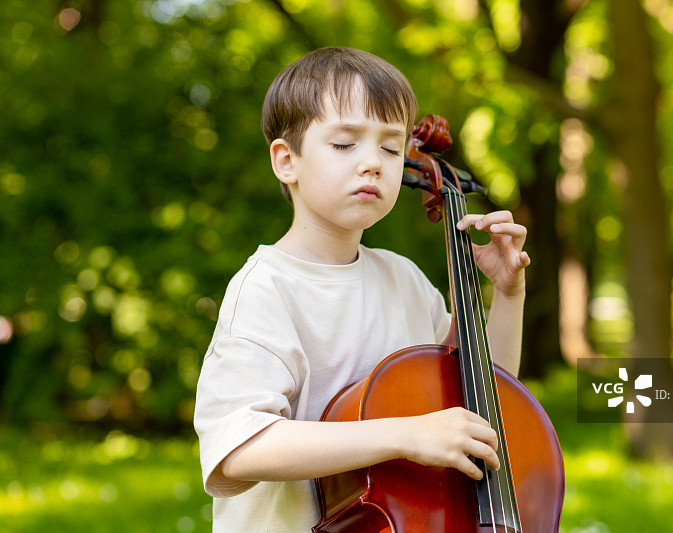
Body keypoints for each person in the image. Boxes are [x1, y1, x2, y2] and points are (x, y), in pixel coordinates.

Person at [194, 46, 531, 532]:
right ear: (287, 161)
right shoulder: (266, 289)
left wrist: (506, 294)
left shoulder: (404, 279)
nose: (373, 162)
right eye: (344, 144)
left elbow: (487, 400)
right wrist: (404, 435)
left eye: (392, 148)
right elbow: (240, 450)